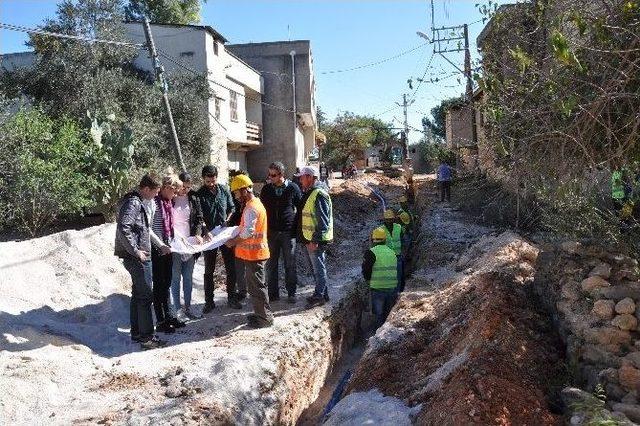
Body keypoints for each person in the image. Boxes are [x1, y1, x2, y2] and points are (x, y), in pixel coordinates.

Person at [115, 174, 167, 350]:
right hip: (137, 258)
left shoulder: (134, 200)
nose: (155, 196)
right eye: (155, 192)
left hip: (136, 256)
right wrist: (136, 251)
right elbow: (124, 227)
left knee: (138, 295)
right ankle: (146, 338)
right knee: (145, 296)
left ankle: (137, 333)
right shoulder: (134, 202)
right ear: (146, 189)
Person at [225, 174, 273, 328]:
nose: (236, 196)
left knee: (257, 287)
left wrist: (233, 241)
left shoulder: (251, 207)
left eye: (236, 193)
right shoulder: (254, 203)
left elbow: (248, 232)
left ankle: (264, 319)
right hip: (256, 254)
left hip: (255, 255)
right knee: (258, 286)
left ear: (244, 190)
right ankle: (262, 314)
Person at [197, 165, 241, 312]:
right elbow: (199, 215)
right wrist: (205, 230)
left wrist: (227, 220)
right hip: (209, 236)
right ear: (203, 179)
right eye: (208, 181)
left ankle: (232, 298)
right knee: (209, 270)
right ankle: (209, 302)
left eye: (213, 180)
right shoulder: (199, 194)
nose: (211, 184)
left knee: (231, 267)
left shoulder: (223, 190)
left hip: (225, 234)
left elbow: (232, 208)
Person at [260, 162, 302, 303]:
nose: (270, 177)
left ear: (281, 175)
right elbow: (262, 211)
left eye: (273, 175)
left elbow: (300, 209)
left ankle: (291, 293)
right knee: (271, 265)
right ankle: (273, 294)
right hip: (271, 233)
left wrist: (295, 228)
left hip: (288, 233)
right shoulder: (266, 189)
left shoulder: (293, 188)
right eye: (269, 174)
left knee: (290, 264)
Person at [151, 172, 185, 334]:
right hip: (157, 250)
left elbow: (170, 228)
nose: (175, 194)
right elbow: (149, 228)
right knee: (159, 286)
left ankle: (170, 315)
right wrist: (160, 245)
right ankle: (161, 321)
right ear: (166, 188)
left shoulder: (168, 203)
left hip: (168, 248)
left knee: (167, 283)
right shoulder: (154, 203)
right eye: (174, 190)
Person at [296, 166, 334, 308]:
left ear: (310, 177)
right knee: (315, 269)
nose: (300, 180)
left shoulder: (318, 194)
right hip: (307, 238)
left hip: (314, 240)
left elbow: (322, 221)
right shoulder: (310, 192)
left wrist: (315, 240)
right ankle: (323, 294)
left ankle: (319, 296)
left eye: (302, 177)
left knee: (318, 269)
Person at [170, 172, 205, 320]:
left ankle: (188, 307)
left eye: (189, 187)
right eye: (183, 187)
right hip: (175, 244)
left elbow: (199, 218)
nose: (185, 190)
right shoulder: (170, 198)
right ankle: (177, 309)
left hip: (189, 243)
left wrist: (198, 233)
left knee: (188, 277)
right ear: (178, 185)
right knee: (175, 277)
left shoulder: (194, 197)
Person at [362, 227, 398, 329]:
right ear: (385, 240)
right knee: (389, 315)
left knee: (378, 315)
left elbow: (366, 270)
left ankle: (377, 336)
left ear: (373, 240)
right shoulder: (392, 252)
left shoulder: (371, 252)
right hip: (391, 288)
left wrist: (368, 280)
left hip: (377, 288)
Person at [229, 169, 248, 301]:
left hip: (250, 238)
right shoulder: (232, 197)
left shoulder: (253, 200)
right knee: (239, 265)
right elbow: (231, 212)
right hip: (237, 235)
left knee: (252, 268)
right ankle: (242, 291)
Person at [382, 209, 405, 292]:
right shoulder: (380, 231)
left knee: (398, 277)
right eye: (387, 219)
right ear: (384, 220)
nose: (389, 221)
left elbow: (403, 240)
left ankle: (397, 296)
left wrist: (403, 252)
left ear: (394, 219)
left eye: (391, 219)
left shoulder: (398, 228)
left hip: (398, 257)